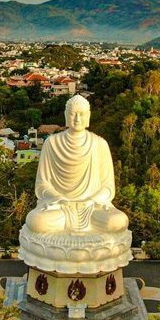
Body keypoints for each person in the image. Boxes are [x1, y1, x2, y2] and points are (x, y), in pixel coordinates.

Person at [25, 95, 129, 235]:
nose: (77, 119)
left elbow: (108, 187)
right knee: (37, 222)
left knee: (118, 222)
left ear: (88, 116)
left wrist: (91, 200)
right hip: (60, 206)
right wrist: (60, 199)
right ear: (66, 115)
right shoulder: (52, 143)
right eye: (73, 114)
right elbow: (42, 185)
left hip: (92, 206)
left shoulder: (99, 144)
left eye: (82, 114)